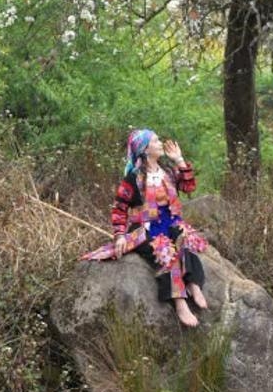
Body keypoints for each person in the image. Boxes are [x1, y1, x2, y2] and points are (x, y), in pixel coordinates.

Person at [83, 128, 210, 328]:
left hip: (170, 222)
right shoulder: (133, 178)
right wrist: (120, 236)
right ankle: (179, 301)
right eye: (156, 141)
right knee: (166, 250)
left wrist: (179, 160)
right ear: (145, 149)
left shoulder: (167, 171)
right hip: (146, 229)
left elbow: (189, 187)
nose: (161, 143)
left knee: (184, 238)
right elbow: (119, 209)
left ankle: (193, 283)